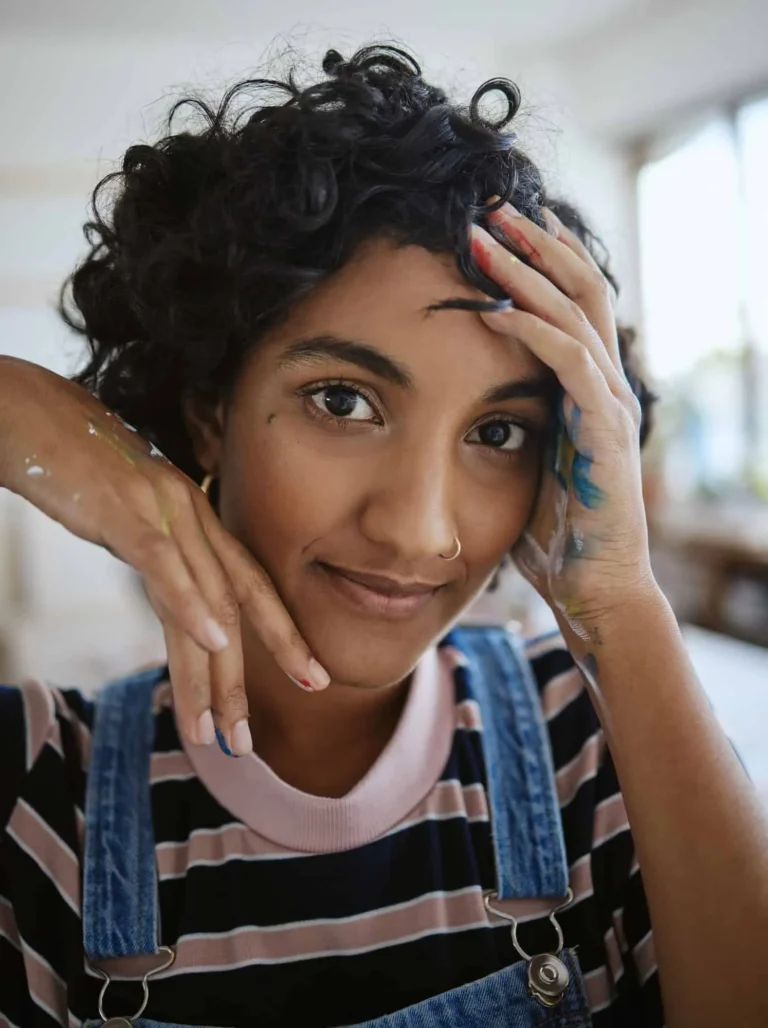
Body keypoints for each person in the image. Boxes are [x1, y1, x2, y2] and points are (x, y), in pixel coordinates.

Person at [0, 42, 766, 1028]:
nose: (419, 528)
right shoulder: (36, 784)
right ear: (205, 410)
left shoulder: (602, 745)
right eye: (341, 399)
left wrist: (622, 603)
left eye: (498, 433)